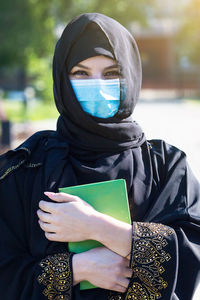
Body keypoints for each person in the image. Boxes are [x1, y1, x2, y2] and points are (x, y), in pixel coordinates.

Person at [0, 12, 199, 300]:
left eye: (111, 73)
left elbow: (190, 255)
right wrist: (76, 268)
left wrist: (97, 227)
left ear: (129, 76)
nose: (97, 83)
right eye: (81, 73)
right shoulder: (26, 168)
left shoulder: (167, 167)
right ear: (62, 79)